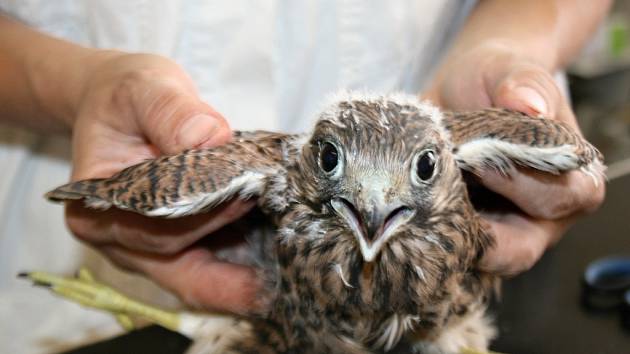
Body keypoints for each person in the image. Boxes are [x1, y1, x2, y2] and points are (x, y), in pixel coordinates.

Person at [0, 1, 610, 352]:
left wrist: (512, 44)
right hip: (93, 293)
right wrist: (80, 90)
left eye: (423, 174)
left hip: (439, 106)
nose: (373, 209)